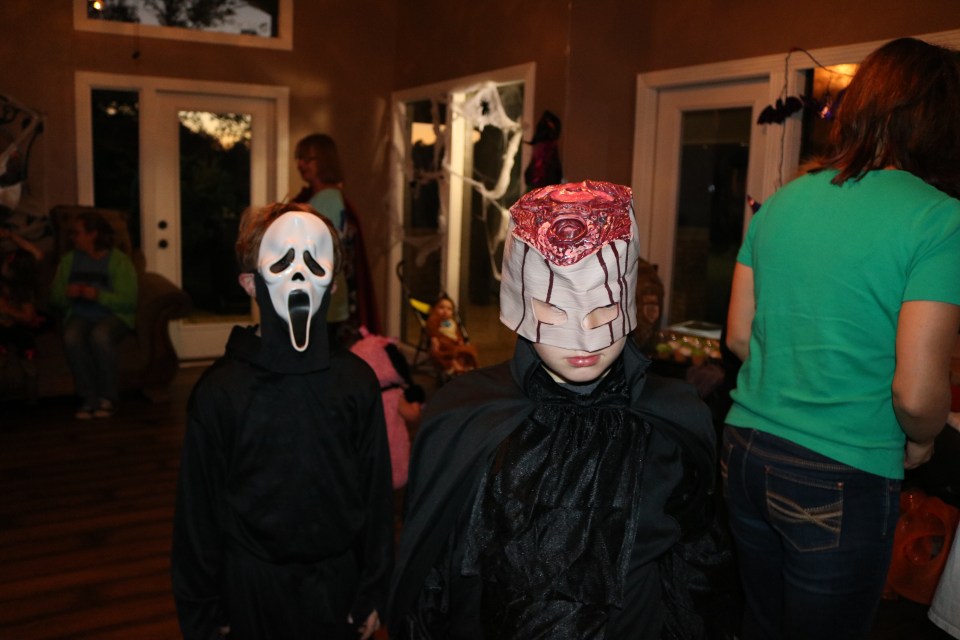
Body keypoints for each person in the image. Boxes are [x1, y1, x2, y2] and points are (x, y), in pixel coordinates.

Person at [388, 181, 722, 638]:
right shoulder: (467, 417)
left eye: (603, 311)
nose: (585, 339)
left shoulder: (673, 419)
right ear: (519, 301)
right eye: (554, 311)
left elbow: (696, 560)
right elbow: (434, 571)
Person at [723, 37, 960, 640]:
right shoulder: (940, 218)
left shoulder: (782, 201)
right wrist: (922, 443)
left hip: (744, 449)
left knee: (760, 622)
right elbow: (916, 394)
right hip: (840, 469)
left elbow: (740, 338)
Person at [170, 202, 393, 640]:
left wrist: (375, 587)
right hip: (250, 584)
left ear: (333, 283)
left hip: (336, 583)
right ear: (250, 284)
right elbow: (197, 511)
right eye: (282, 262)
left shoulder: (355, 383)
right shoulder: (221, 392)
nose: (299, 277)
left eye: (314, 263)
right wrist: (203, 610)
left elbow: (376, 494)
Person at [292, 133, 379, 346]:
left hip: (325, 295)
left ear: (324, 161)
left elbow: (317, 249)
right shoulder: (321, 197)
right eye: (299, 158)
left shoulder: (327, 199)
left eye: (308, 159)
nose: (301, 164)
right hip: (328, 295)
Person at [49, 210, 137, 419]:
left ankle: (108, 398)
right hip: (80, 313)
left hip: (113, 315)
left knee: (100, 336)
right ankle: (88, 398)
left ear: (93, 234)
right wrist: (67, 295)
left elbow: (129, 301)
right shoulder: (68, 261)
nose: (73, 237)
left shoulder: (119, 261)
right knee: (71, 336)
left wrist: (99, 295)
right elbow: (54, 300)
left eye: (77, 233)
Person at [425, 293, 479, 375]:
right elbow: (432, 330)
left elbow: (458, 334)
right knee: (449, 352)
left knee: (468, 350)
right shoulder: (433, 319)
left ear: (452, 312)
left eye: (449, 309)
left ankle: (464, 365)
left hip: (455, 344)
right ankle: (455, 367)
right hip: (442, 344)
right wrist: (434, 339)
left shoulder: (452, 322)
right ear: (434, 309)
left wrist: (460, 340)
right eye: (441, 307)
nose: (445, 311)